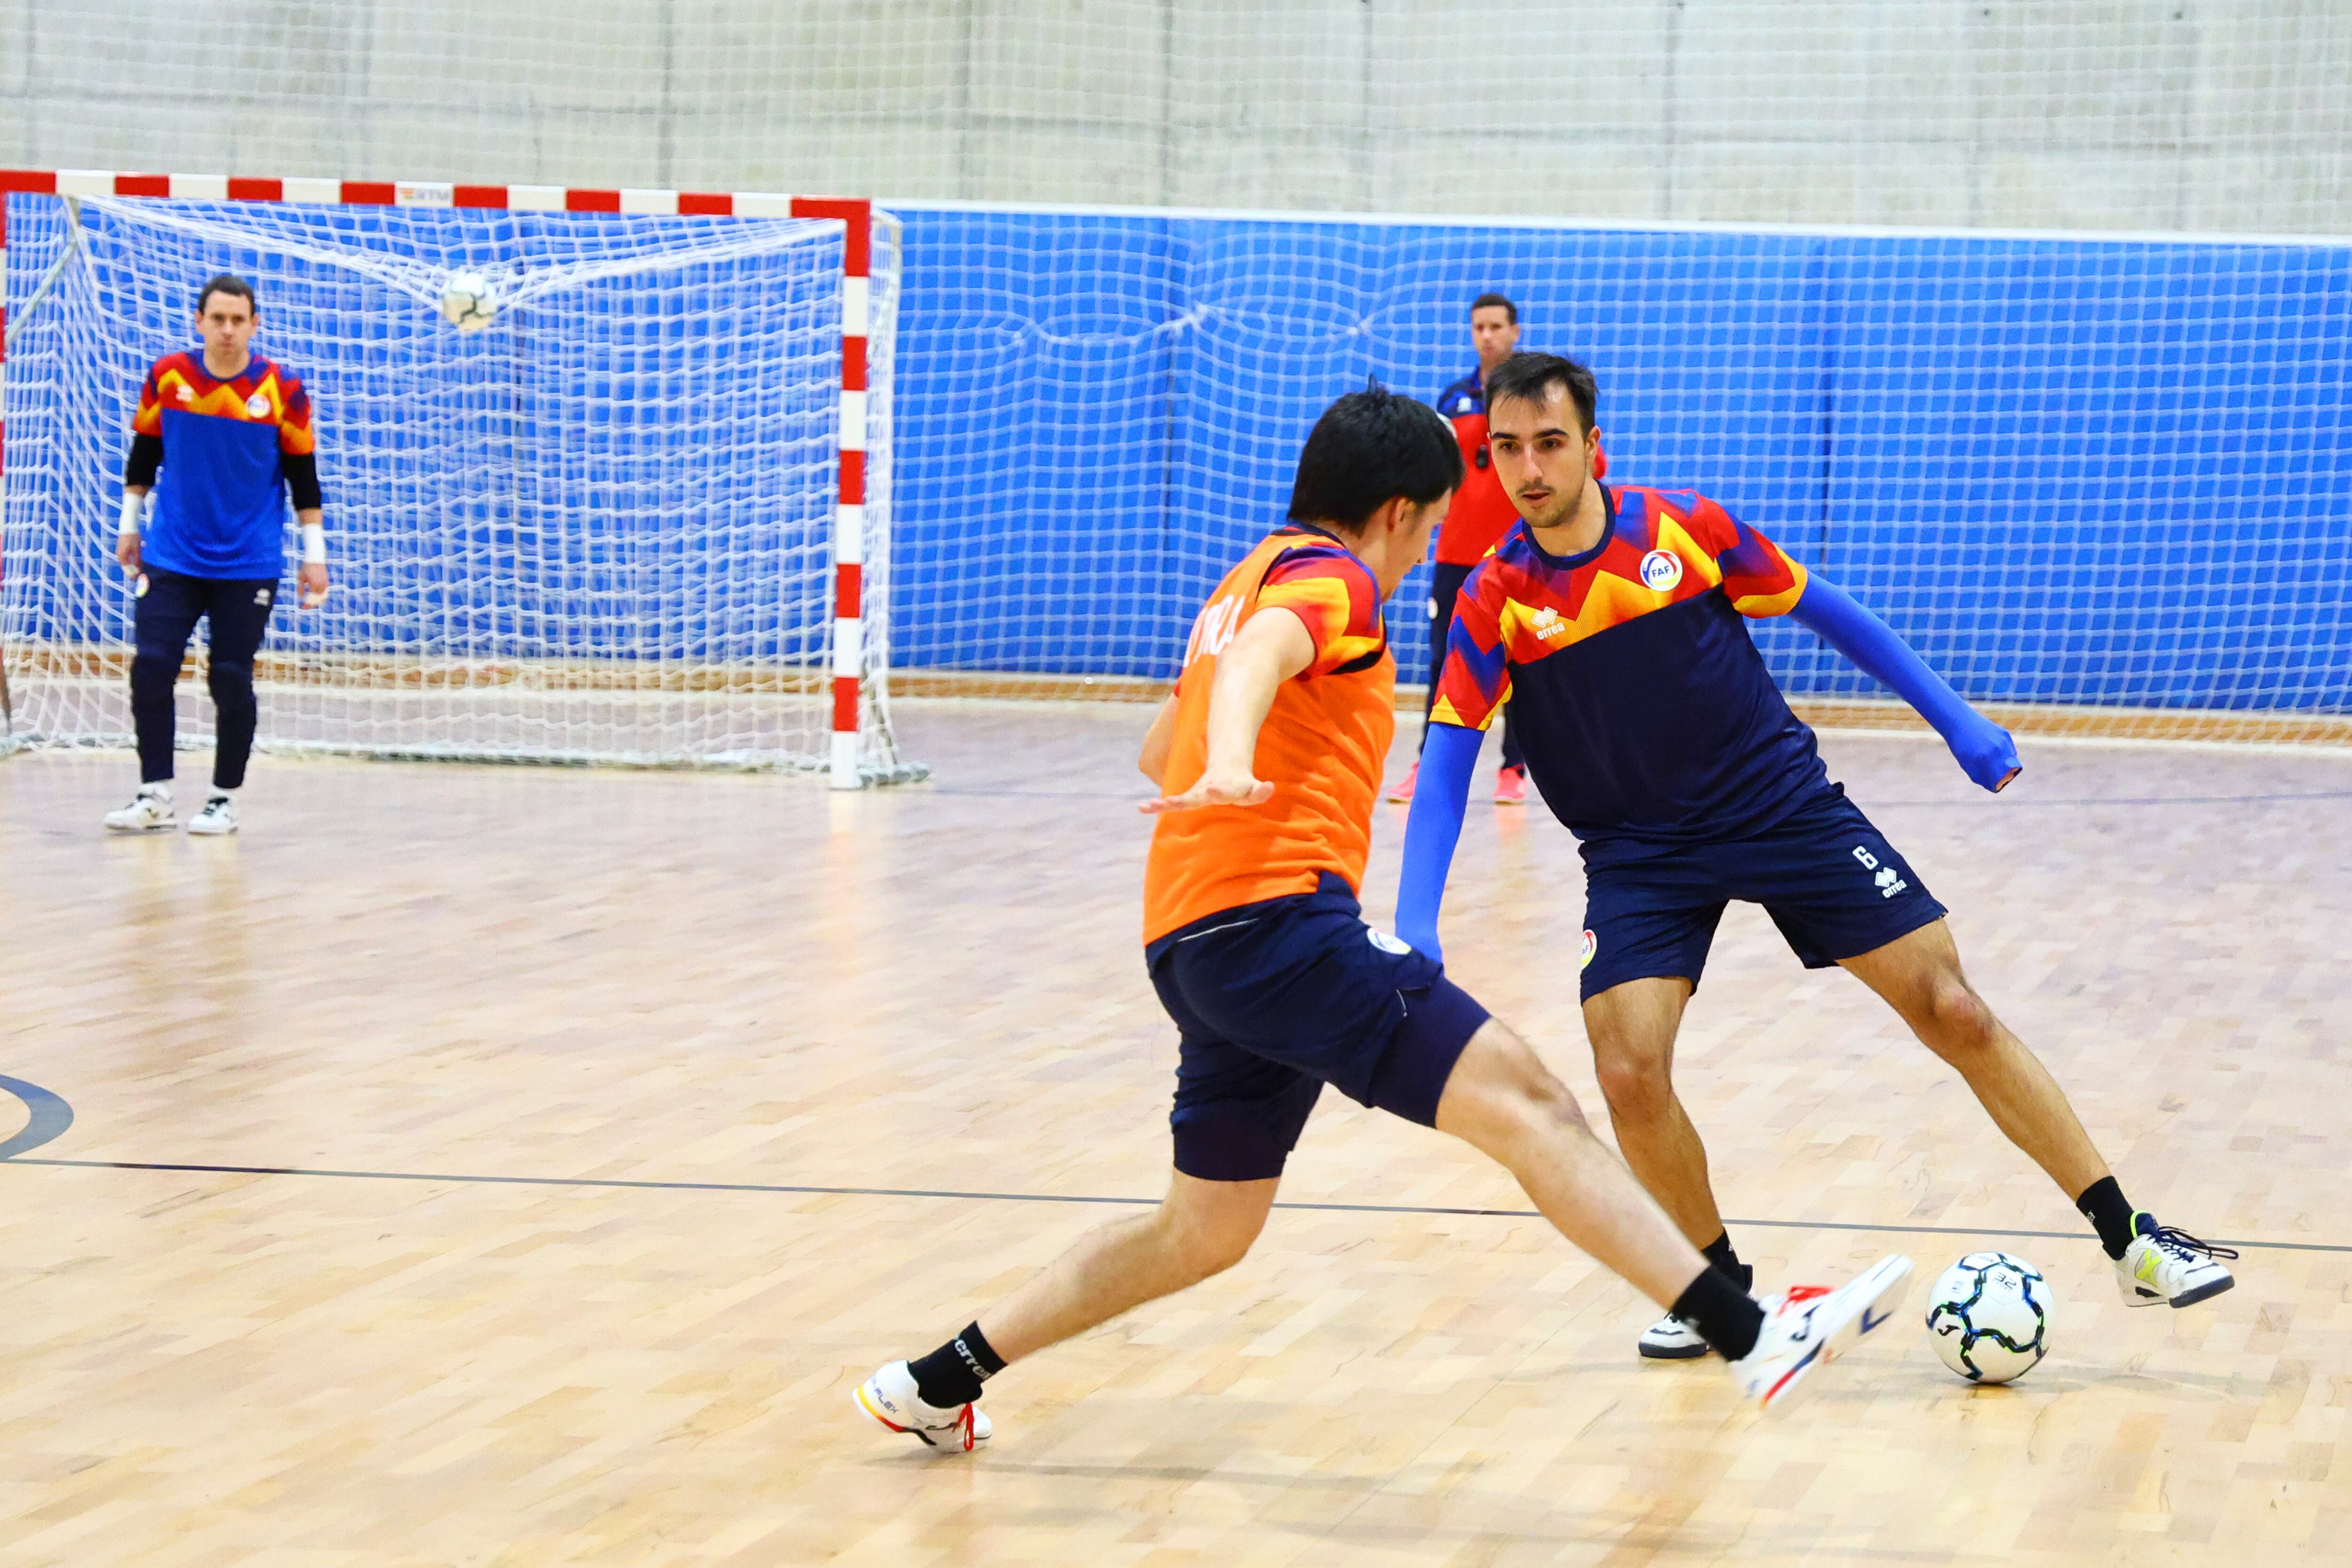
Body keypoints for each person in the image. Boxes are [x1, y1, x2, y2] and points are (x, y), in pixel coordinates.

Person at [855, 384, 1912, 1453]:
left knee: (1205, 1227)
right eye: (1442, 520)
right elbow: (1270, 653)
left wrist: (1227, 747)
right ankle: (1752, 1337)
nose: (1431, 552)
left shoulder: (1238, 579)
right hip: (1280, 931)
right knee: (1534, 1107)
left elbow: (1156, 743)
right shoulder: (1333, 580)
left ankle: (935, 1379)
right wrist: (1232, 762)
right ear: (1402, 512)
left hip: (1192, 945)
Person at [1395, 352, 2236, 1363]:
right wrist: (1415, 924)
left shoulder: (1683, 531)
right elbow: (1445, 764)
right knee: (1626, 1068)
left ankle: (2130, 1237)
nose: (1528, 467)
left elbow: (1825, 608)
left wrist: (1955, 719)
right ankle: (1713, 1289)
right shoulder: (1492, 599)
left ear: (1592, 447)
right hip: (1639, 852)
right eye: (1507, 449)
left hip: (1778, 805)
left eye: (1549, 443)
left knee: (1953, 1008)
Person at [104, 274, 328, 837]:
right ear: (199, 322)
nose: (228, 330)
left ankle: (222, 800)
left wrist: (314, 555)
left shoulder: (283, 389)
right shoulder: (167, 377)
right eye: (218, 319)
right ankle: (154, 793)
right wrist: (129, 527)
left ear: (255, 325)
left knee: (229, 676)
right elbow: (144, 456)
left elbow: (304, 479)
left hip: (247, 562)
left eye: (239, 320)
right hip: (172, 554)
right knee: (152, 666)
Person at [1391, 293, 1602, 808]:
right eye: (1477, 327)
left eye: (1495, 326)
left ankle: (1514, 769)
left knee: (1526, 664)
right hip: (1455, 558)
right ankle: (1426, 765)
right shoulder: (1452, 401)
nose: (1485, 335)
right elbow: (1433, 473)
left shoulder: (1540, 403)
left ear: (1515, 332)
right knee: (1445, 663)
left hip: (1522, 557)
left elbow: (1590, 473)